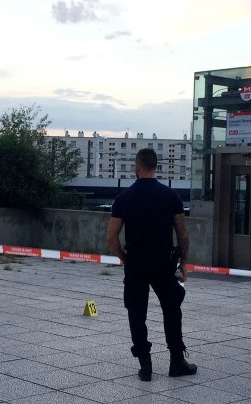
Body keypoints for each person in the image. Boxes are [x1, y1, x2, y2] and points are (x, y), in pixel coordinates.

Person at [105, 148, 196, 382]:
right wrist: (183, 263)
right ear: (156, 166)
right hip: (162, 262)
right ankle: (177, 361)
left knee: (136, 312)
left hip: (135, 262)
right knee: (172, 309)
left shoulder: (124, 198)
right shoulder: (171, 196)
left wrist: (124, 257)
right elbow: (183, 235)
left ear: (137, 166)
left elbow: (111, 236)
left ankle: (145, 366)